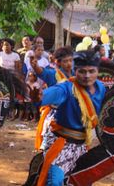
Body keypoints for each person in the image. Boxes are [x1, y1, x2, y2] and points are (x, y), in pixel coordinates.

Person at [36, 50, 106, 185]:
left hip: (82, 146)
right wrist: (40, 97)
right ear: (76, 70)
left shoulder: (101, 88)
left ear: (98, 71)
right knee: (54, 182)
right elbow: (51, 94)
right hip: (61, 144)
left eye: (91, 71)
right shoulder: (67, 88)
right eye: (82, 71)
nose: (87, 76)